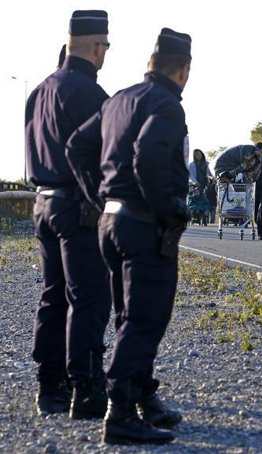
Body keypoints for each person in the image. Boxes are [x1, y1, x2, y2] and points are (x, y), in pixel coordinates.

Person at [69, 27, 192, 445]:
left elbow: (76, 147)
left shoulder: (120, 98)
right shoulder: (167, 106)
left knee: (128, 317)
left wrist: (98, 196)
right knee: (144, 320)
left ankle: (142, 396)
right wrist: (169, 211)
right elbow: (149, 155)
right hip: (143, 225)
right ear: (184, 71)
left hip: (111, 224)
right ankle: (119, 413)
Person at [25, 10, 111, 420]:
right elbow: (106, 158)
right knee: (88, 296)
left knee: (53, 294)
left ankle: (49, 385)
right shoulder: (90, 94)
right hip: (79, 207)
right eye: (106, 47)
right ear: (97, 46)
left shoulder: (38, 91)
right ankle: (86, 387)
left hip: (42, 201)